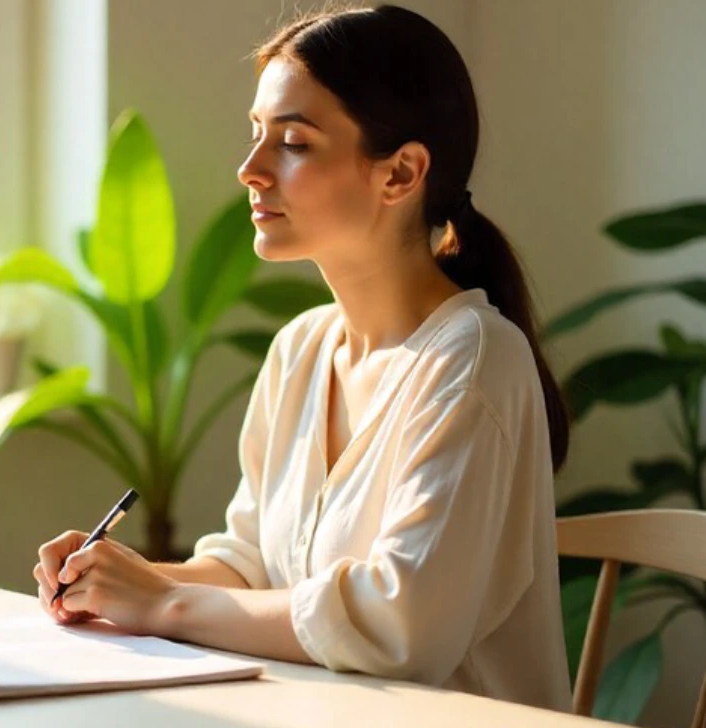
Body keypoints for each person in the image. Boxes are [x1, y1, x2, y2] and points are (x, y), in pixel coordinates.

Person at [32, 4, 573, 711]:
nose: (250, 169)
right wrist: (118, 577)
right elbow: (251, 569)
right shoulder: (301, 349)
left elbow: (400, 626)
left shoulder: (472, 362)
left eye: (292, 142)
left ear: (401, 173)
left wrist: (163, 605)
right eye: (257, 134)